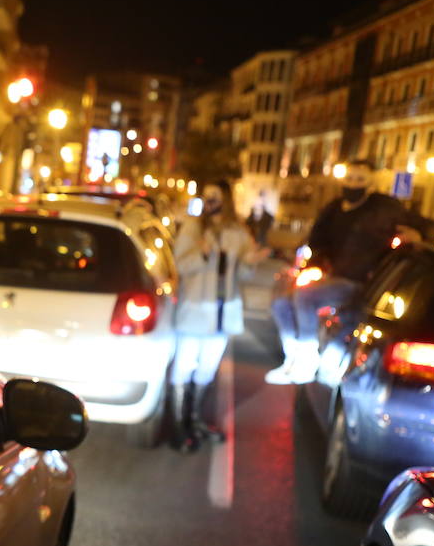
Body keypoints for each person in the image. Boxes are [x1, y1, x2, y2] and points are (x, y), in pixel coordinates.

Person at [266, 159, 406, 384]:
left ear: (370, 183)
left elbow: (418, 224)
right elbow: (317, 238)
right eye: (349, 178)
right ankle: (293, 358)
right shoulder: (334, 209)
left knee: (305, 297)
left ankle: (306, 360)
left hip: (357, 282)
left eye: (360, 180)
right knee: (281, 304)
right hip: (333, 277)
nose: (353, 184)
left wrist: (417, 233)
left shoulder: (381, 210)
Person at [170, 179, 270, 452]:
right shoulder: (194, 227)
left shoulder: (238, 231)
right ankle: (179, 427)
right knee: (184, 366)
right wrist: (201, 254)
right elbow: (181, 264)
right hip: (195, 309)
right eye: (207, 197)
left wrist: (250, 262)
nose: (211, 202)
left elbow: (243, 272)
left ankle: (196, 420)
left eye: (215, 197)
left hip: (223, 312)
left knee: (207, 368)